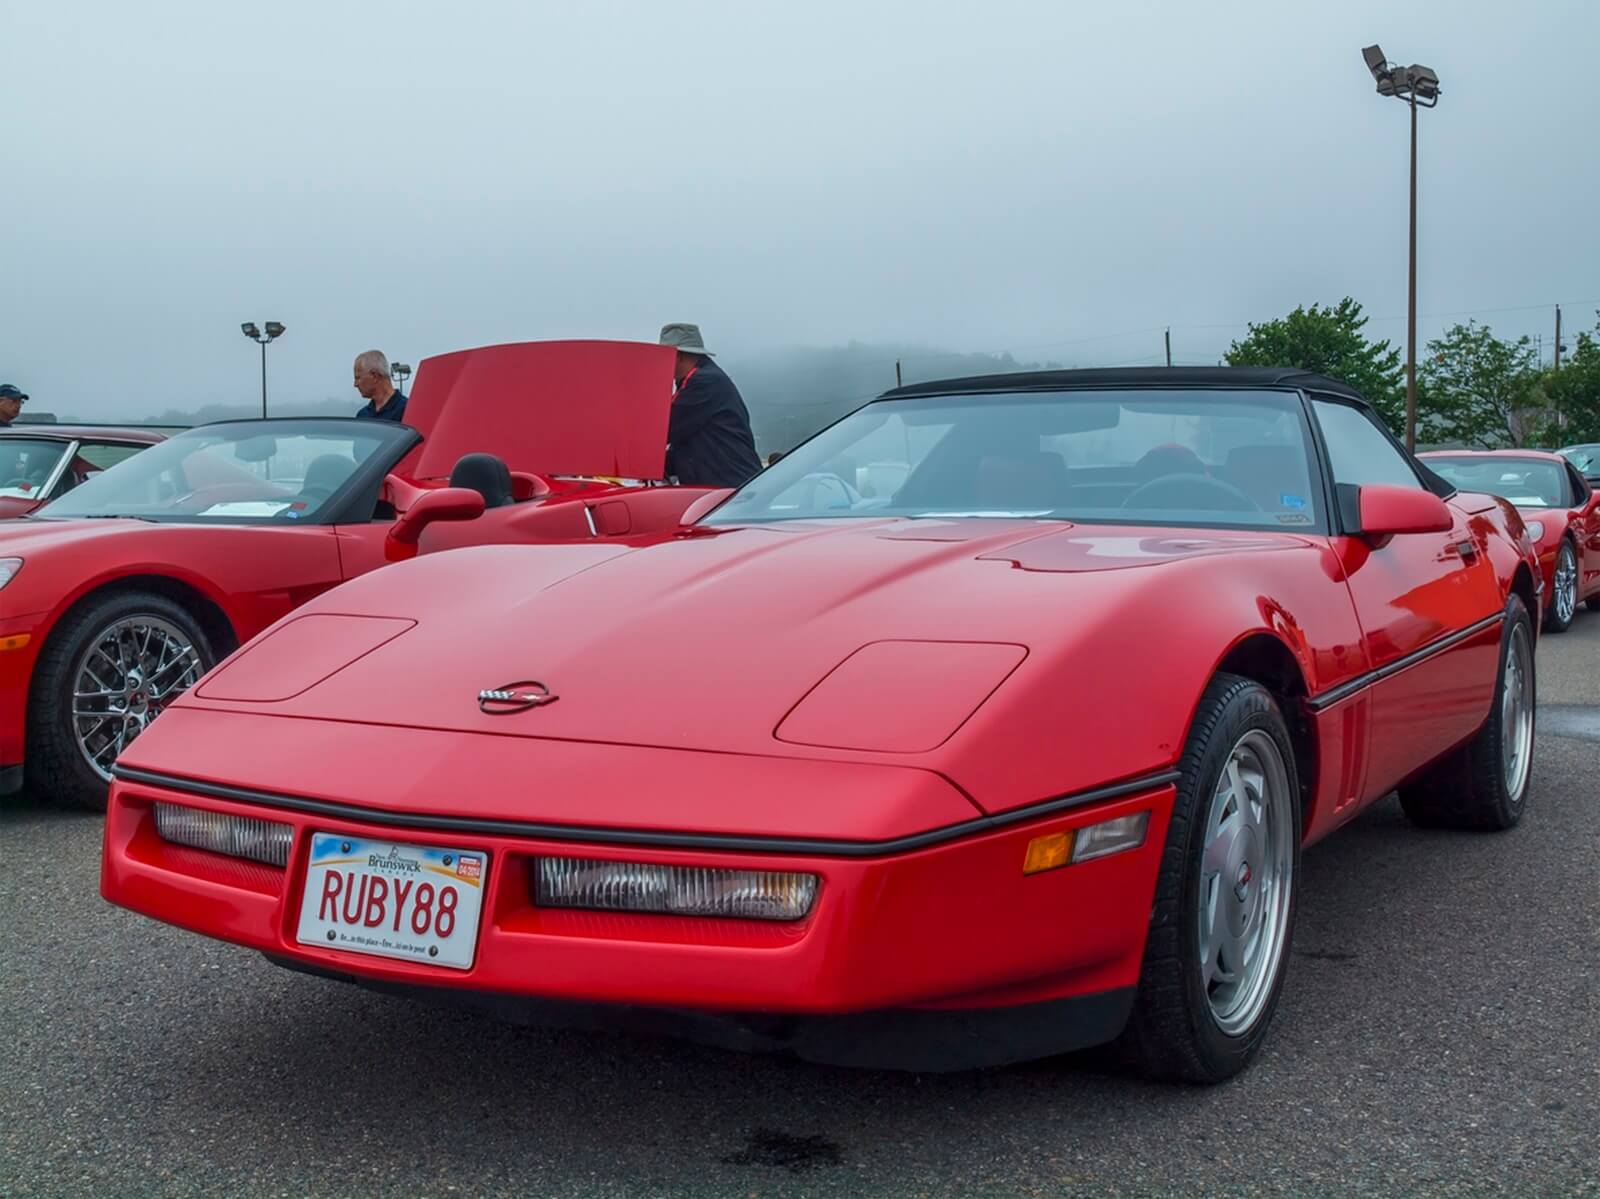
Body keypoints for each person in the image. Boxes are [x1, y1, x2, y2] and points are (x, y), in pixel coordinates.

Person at [659, 324, 761, 488]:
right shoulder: (697, 380)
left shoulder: (704, 382)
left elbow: (664, 429)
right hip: (721, 484)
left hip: (728, 485)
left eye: (662, 357)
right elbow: (687, 441)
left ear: (677, 356)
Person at [352, 351, 407, 421]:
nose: (355, 384)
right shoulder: (362, 415)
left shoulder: (407, 410)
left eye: (358, 378)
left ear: (375, 376)